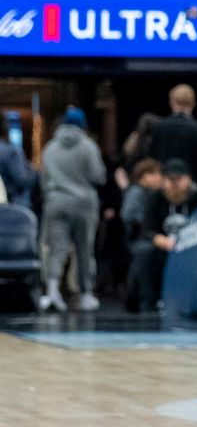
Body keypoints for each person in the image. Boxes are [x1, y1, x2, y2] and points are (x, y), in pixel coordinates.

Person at [38, 106, 106, 313]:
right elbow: (98, 176)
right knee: (84, 249)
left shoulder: (50, 147)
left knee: (56, 249)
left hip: (56, 202)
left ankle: (51, 291)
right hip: (84, 204)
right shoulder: (88, 146)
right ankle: (85, 294)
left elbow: (43, 179)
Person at [130, 159, 197, 312]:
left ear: (189, 179)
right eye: (170, 179)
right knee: (144, 252)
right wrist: (163, 241)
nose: (174, 184)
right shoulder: (155, 199)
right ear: (163, 180)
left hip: (193, 246)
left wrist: (187, 243)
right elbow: (147, 229)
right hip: (164, 246)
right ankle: (148, 303)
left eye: (178, 179)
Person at [149, 84, 197, 192]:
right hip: (191, 190)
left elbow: (153, 158)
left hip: (164, 188)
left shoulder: (160, 127)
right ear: (193, 103)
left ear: (171, 102)